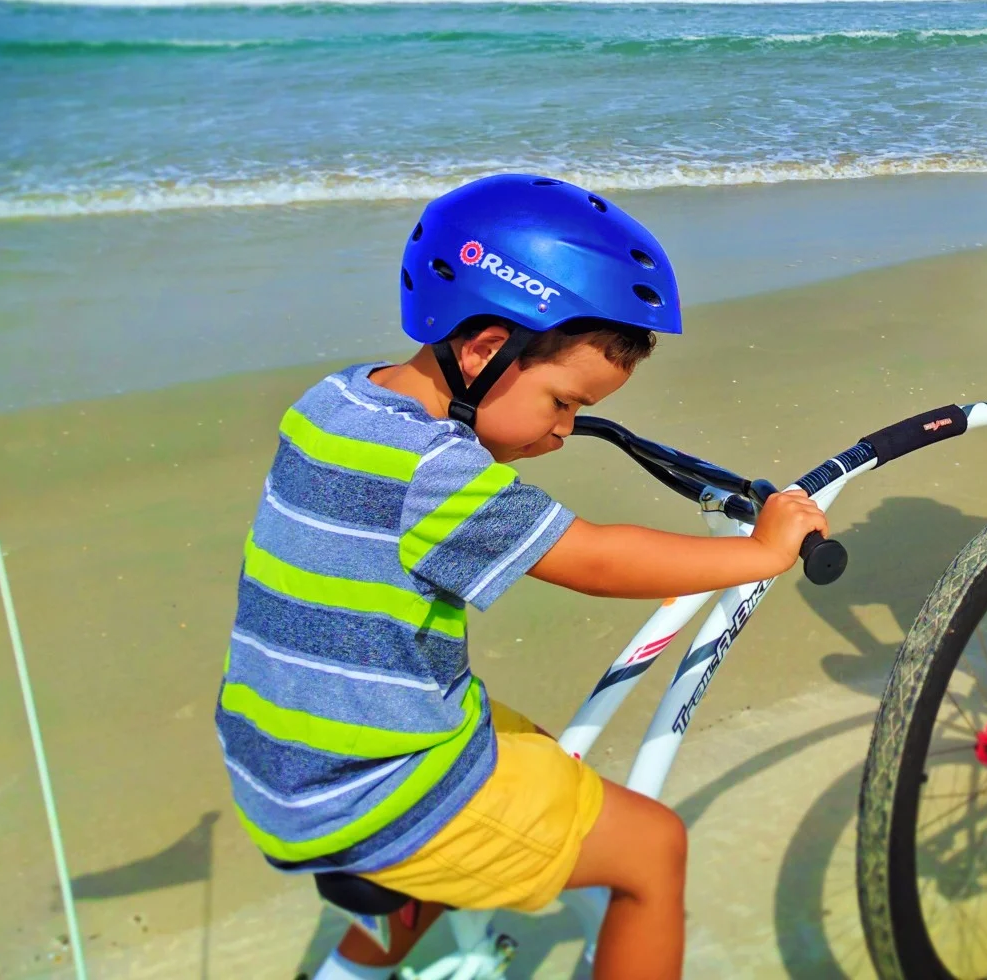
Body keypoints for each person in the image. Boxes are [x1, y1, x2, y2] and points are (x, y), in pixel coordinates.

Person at [215, 175, 828, 980]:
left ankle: (352, 969)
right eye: (563, 402)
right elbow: (595, 558)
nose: (566, 431)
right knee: (653, 848)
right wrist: (761, 554)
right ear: (482, 350)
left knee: (536, 750)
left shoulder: (331, 402)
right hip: (372, 794)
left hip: (281, 757)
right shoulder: (435, 469)